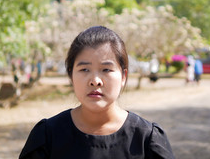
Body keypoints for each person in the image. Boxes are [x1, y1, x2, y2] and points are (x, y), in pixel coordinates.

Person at [19, 26, 175, 159]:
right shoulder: (47, 136)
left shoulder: (146, 139)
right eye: (84, 69)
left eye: (106, 69)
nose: (95, 81)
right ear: (71, 75)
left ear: (123, 76)